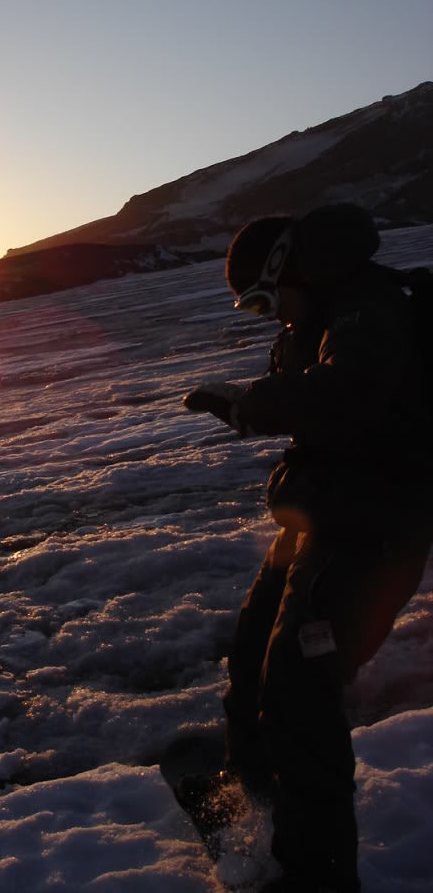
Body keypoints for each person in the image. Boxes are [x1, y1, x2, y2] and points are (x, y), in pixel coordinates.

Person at [182, 204, 433, 893]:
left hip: (375, 529)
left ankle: (316, 874)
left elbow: (345, 394)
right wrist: (254, 403)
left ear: (290, 265)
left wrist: (252, 404)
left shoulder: (370, 307)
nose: (267, 316)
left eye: (265, 298)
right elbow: (314, 404)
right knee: (253, 655)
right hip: (322, 519)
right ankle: (252, 797)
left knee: (299, 692)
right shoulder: (315, 319)